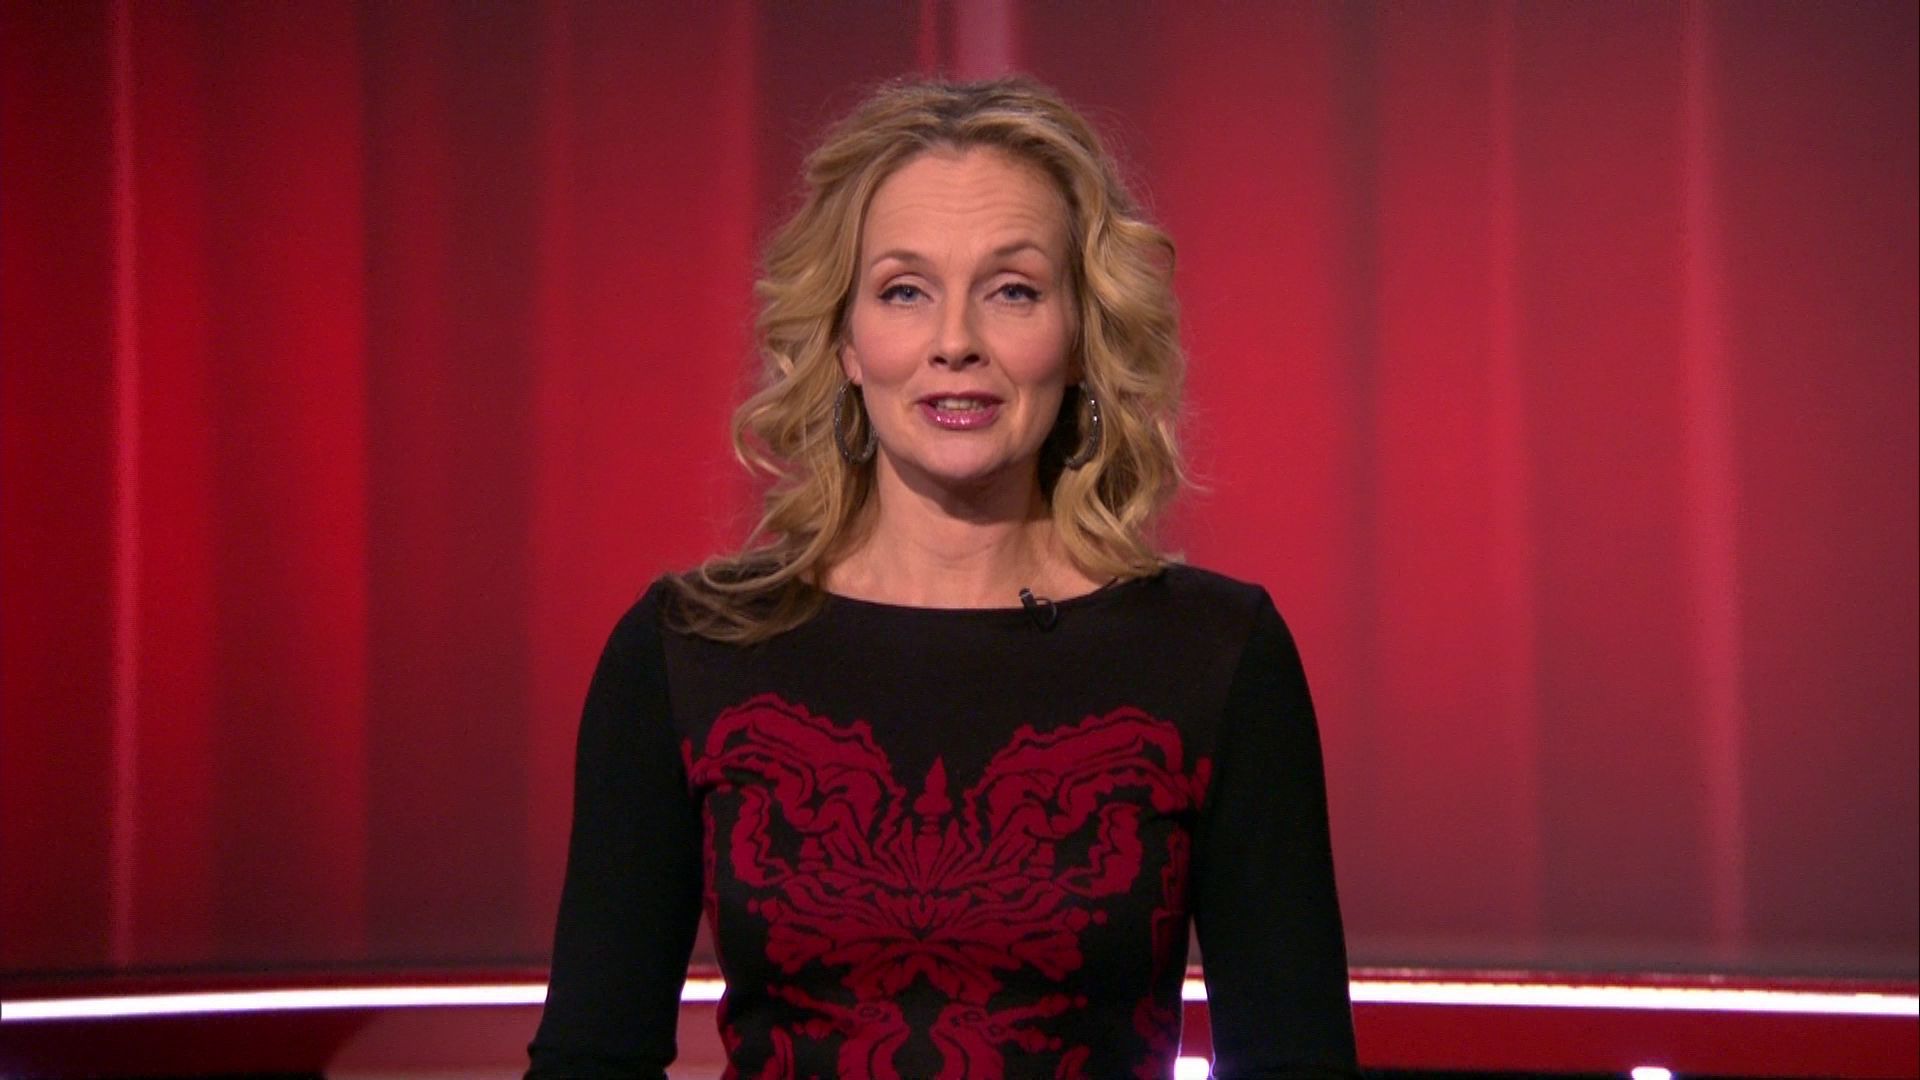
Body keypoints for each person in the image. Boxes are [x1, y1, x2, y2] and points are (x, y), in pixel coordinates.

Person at [527, 76, 1357, 1079]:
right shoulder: (688, 649)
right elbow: (591, 1060)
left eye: (1013, 291)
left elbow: (1296, 1062)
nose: (955, 341)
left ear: (1082, 337)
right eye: (904, 291)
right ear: (845, 340)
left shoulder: (1215, 655)